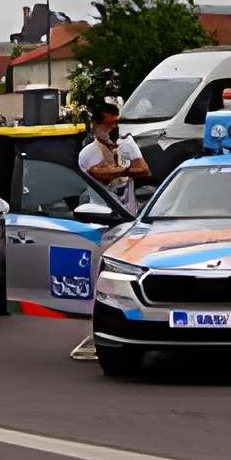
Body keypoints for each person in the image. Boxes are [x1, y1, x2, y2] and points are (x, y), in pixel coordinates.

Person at [67, 108, 150, 364]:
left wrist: (117, 168)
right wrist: (125, 169)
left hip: (128, 221)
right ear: (95, 125)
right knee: (102, 283)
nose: (112, 129)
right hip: (101, 221)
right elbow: (96, 174)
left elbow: (144, 170)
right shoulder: (88, 153)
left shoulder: (127, 144)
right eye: (108, 124)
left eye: (115, 123)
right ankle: (99, 334)